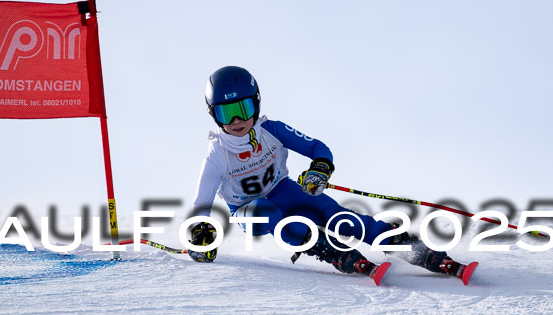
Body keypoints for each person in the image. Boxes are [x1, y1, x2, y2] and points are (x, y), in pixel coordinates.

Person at [188, 65, 469, 280]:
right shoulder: (217, 156)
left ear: (256, 104)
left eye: (243, 108)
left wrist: (319, 169)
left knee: (335, 215)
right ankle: (335, 253)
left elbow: (317, 147)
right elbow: (201, 204)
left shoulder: (270, 130)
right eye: (227, 114)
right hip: (247, 208)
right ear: (214, 115)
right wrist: (200, 237)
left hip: (283, 189)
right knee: (270, 214)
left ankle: (418, 251)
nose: (237, 120)